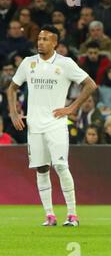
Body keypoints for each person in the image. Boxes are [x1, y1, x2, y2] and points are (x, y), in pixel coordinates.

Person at [6, 25, 97, 227]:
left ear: (55, 43)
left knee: (61, 166)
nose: (41, 42)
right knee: (41, 168)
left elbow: (90, 84)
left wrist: (72, 108)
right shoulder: (29, 63)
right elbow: (11, 89)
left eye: (46, 39)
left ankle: (72, 214)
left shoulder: (65, 63)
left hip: (56, 124)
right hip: (34, 125)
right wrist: (13, 112)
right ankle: (50, 215)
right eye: (39, 38)